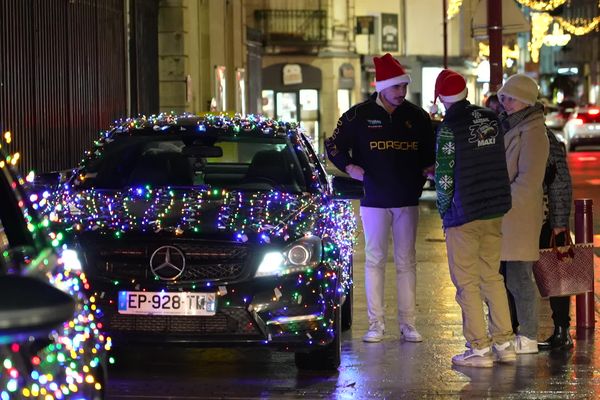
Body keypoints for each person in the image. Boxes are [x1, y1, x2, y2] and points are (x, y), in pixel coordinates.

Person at [325, 53, 435, 343]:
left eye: (404, 87)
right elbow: (333, 145)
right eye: (396, 87)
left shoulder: (417, 117)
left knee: (406, 262)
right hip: (372, 200)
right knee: (374, 260)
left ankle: (408, 324)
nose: (401, 93)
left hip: (407, 199)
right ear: (381, 86)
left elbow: (431, 153)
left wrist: (428, 171)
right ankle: (376, 324)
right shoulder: (358, 116)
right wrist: (349, 167)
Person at [432, 69, 515, 367]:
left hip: (464, 212)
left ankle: (479, 348)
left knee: (467, 282)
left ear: (441, 98)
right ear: (466, 92)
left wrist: (445, 211)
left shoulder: (448, 129)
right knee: (492, 276)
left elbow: (444, 177)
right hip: (494, 207)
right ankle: (505, 343)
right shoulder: (491, 119)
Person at [497, 74, 549, 354]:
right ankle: (509, 332)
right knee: (502, 278)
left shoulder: (533, 132)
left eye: (511, 98)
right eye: (503, 97)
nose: (505, 103)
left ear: (527, 100)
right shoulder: (510, 126)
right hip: (505, 215)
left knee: (518, 278)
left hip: (517, 216)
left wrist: (500, 202)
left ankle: (528, 334)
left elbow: (529, 180)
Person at [538, 125, 573, 350]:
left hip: (544, 217)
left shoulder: (544, 135)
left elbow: (560, 182)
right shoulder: (504, 128)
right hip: (517, 217)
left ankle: (562, 330)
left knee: (555, 274)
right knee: (511, 274)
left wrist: (559, 223)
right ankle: (514, 331)